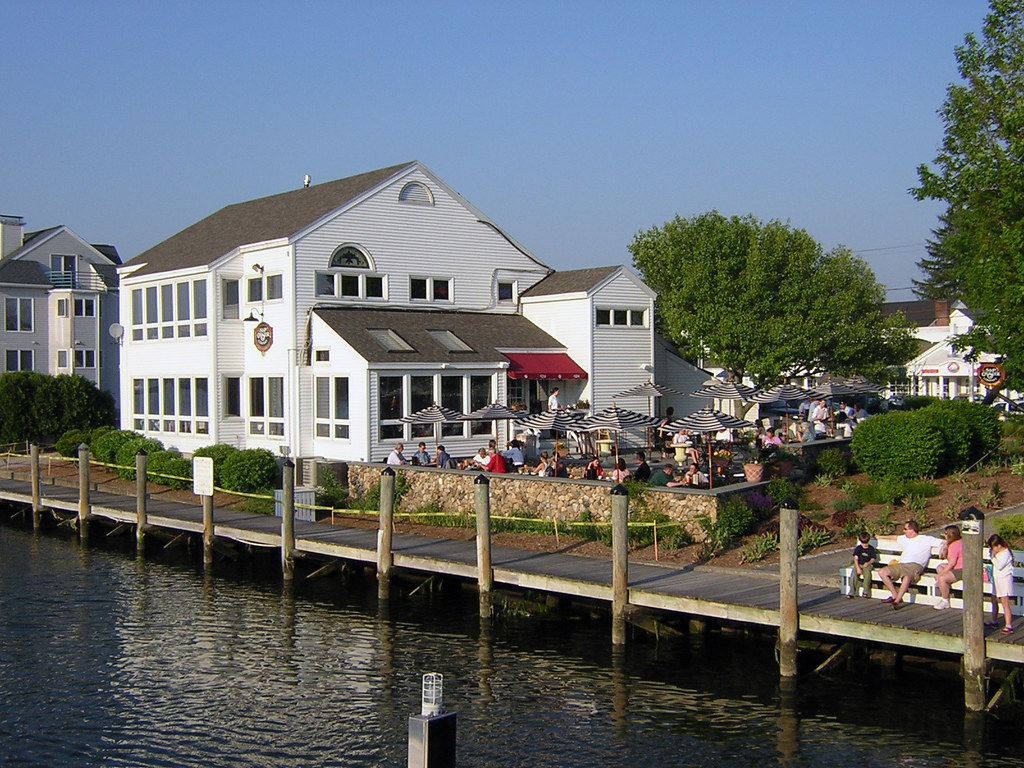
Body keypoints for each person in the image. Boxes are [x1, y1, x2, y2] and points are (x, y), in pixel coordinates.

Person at [877, 520, 944, 610]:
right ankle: (894, 595)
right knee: (882, 572)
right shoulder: (905, 538)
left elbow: (944, 542)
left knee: (906, 577)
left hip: (915, 565)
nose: (903, 531)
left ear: (912, 530)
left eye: (905, 529)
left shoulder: (925, 539)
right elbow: (895, 537)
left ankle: (896, 601)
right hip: (901, 564)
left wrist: (944, 548)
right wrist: (880, 537)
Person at [987, 534, 1015, 634]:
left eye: (993, 547)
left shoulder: (1005, 554)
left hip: (1004, 580)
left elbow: (999, 566)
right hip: (997, 579)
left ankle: (1009, 625)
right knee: (994, 599)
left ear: (999, 546)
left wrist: (993, 557)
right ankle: (994, 621)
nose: (992, 549)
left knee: (1005, 602)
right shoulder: (998, 553)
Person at [933, 525, 963, 610]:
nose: (944, 535)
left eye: (946, 534)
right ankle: (945, 587)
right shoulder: (958, 542)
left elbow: (951, 563)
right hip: (958, 566)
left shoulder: (954, 545)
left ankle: (945, 600)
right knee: (940, 567)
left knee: (942, 578)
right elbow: (946, 558)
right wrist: (945, 546)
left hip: (962, 569)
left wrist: (940, 575)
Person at [848, 531, 877, 599]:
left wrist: (868, 563)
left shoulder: (871, 549)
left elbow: (873, 559)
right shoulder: (858, 548)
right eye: (863, 543)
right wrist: (858, 567)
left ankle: (866, 592)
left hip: (867, 564)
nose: (865, 545)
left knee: (867, 576)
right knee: (854, 576)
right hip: (859, 564)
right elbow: (855, 558)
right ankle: (852, 592)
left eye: (866, 543)